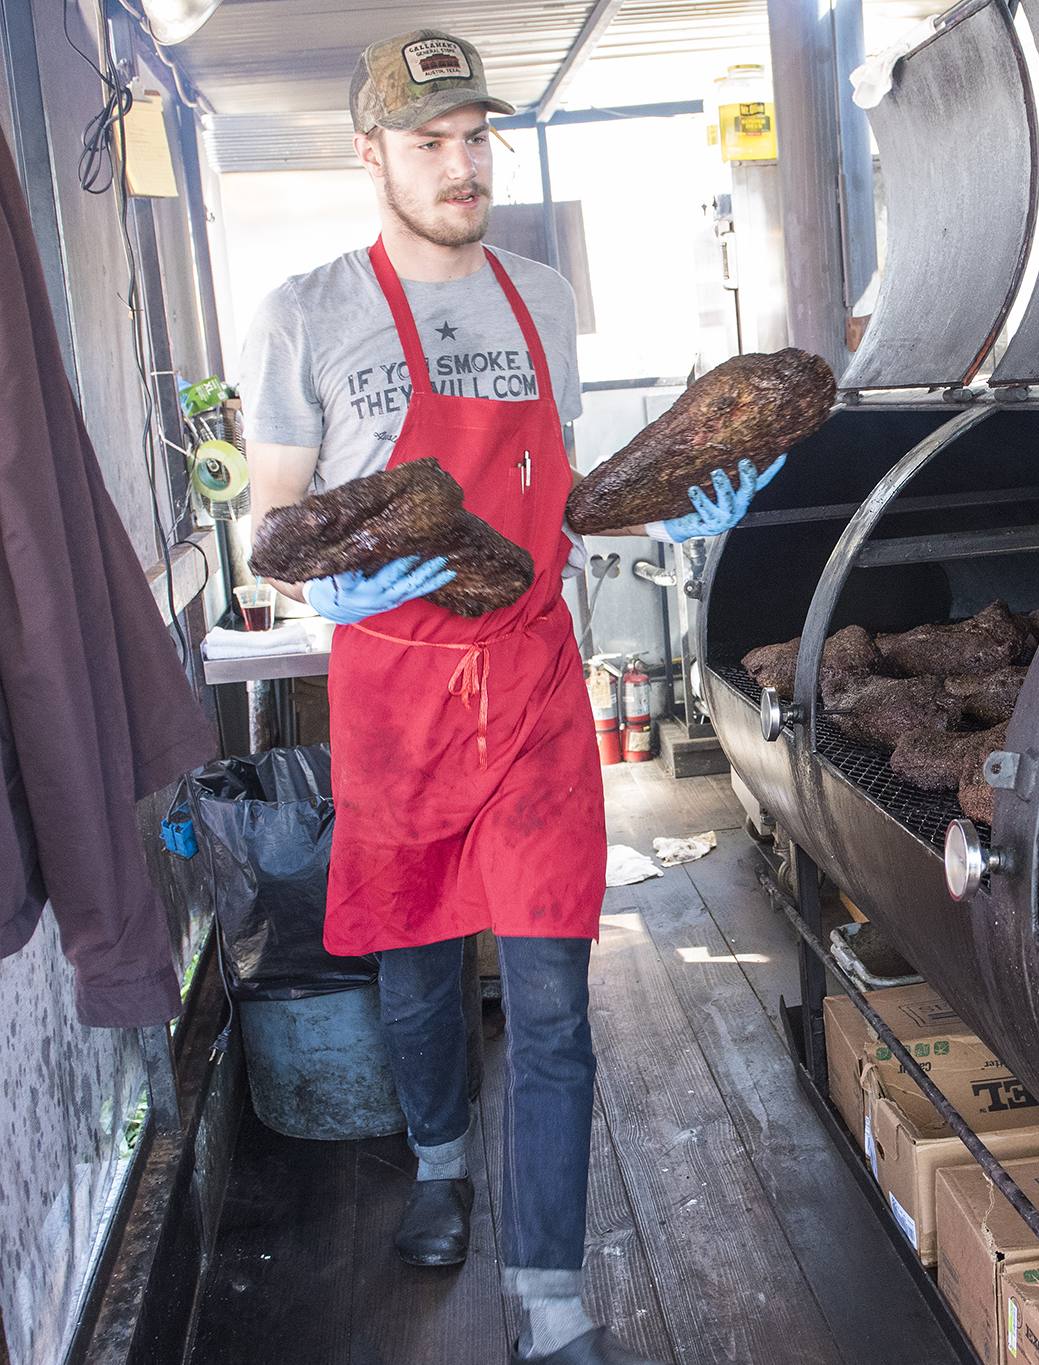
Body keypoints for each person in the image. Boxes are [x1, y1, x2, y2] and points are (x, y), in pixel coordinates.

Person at [242, 30, 773, 1365]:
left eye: (477, 135)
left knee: (549, 1002)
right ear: (371, 155)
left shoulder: (539, 294)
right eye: (430, 141)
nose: (463, 163)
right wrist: (326, 594)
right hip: (394, 692)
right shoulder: (304, 312)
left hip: (532, 686)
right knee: (420, 977)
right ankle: (438, 1165)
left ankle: (551, 1299)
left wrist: (669, 519)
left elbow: (561, 492)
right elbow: (277, 519)